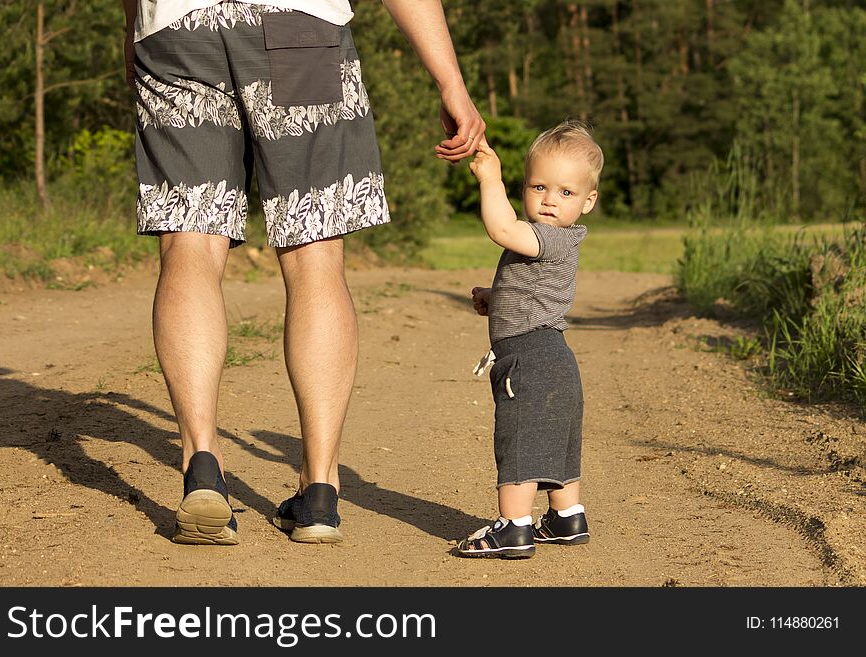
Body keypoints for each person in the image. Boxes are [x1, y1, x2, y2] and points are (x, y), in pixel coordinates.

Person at [121, 0, 485, 546]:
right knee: (315, 254)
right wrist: (450, 81)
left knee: (190, 244)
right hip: (300, 30)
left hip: (176, 34)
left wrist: (137, 36)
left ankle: (201, 464)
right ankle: (318, 491)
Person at [457, 121, 603, 559]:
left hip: (529, 356)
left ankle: (513, 525)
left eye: (565, 192)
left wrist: (490, 180)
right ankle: (565, 516)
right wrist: (495, 295)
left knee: (518, 436)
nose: (548, 200)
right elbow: (533, 286)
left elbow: (502, 229)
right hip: (555, 357)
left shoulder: (550, 237)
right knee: (556, 437)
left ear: (588, 201)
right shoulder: (553, 241)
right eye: (539, 186)